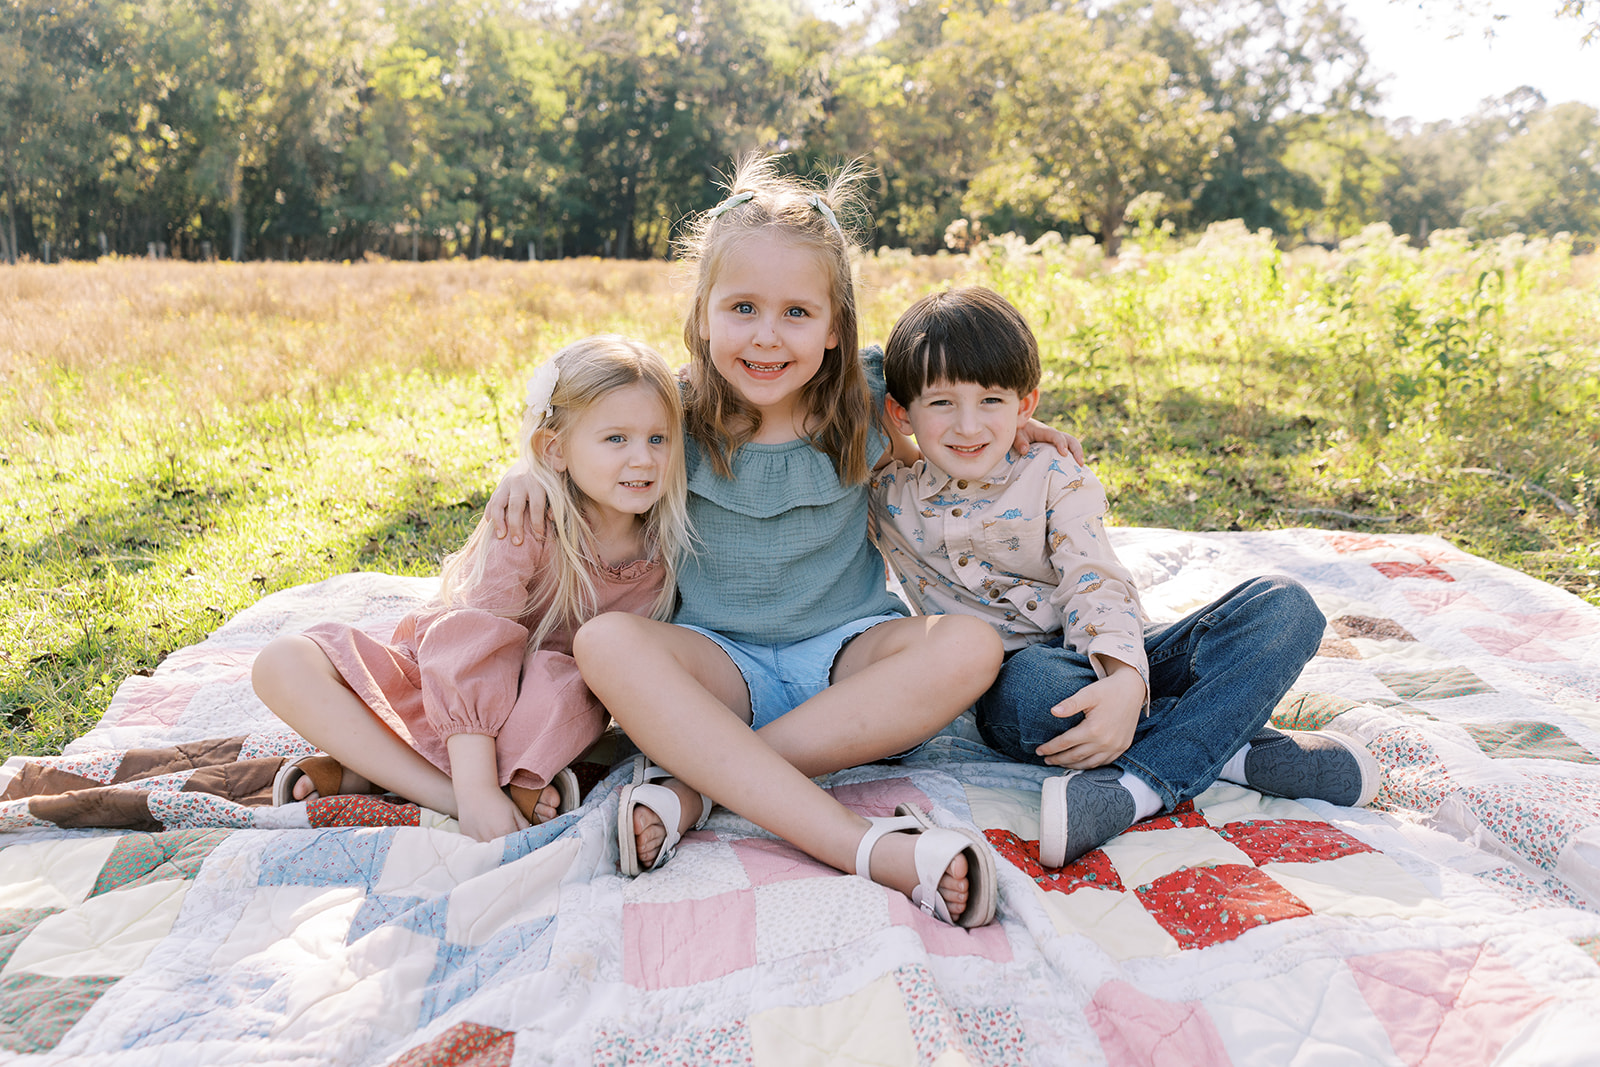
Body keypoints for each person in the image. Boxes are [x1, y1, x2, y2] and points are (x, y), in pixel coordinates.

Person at [490, 157, 1075, 926]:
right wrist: (526, 469)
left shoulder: (865, 401)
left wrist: (1008, 433)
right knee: (605, 644)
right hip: (716, 664)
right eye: (742, 308)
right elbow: (589, 443)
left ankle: (700, 783)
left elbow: (951, 423)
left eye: (798, 313)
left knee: (969, 646)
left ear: (836, 325)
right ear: (702, 314)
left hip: (848, 659)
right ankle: (867, 847)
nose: (768, 338)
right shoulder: (670, 407)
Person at [871, 286, 1382, 868]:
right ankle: (1228, 748)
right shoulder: (887, 494)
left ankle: (1137, 788)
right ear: (900, 412)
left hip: (1125, 650)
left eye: (991, 401)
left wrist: (1124, 681)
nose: (968, 425)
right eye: (941, 404)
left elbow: (1095, 579)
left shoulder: (1053, 474)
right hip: (1019, 685)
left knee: (1285, 606)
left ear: (1026, 404)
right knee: (1038, 690)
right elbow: (836, 387)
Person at [251, 335, 693, 843]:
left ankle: (373, 770)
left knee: (563, 679)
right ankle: (459, 796)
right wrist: (477, 791)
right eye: (616, 439)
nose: (643, 459)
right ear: (555, 448)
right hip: (452, 692)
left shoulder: (669, 542)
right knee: (282, 661)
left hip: (541, 717)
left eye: (658, 439)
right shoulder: (528, 518)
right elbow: (469, 650)